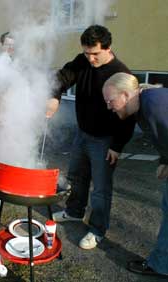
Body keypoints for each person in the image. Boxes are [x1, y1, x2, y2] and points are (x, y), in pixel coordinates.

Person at [46, 25, 136, 249]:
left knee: (101, 188)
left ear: (108, 48)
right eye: (87, 53)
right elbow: (60, 78)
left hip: (106, 140)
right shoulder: (82, 61)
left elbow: (129, 116)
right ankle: (74, 211)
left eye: (95, 54)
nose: (91, 59)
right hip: (82, 133)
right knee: (77, 176)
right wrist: (54, 96)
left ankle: (97, 230)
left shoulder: (121, 73)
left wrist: (117, 145)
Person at [102, 72, 168, 278]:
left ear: (125, 95)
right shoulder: (144, 105)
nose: (109, 106)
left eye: (110, 101)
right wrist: (165, 161)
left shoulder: (153, 106)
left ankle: (161, 266)